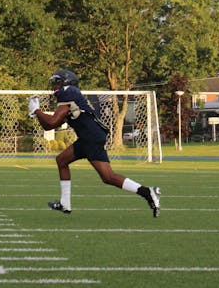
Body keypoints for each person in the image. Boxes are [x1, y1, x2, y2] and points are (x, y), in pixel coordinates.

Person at [28, 69, 160, 217]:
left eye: (57, 82)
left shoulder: (69, 91)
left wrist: (37, 111)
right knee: (62, 161)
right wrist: (37, 113)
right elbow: (50, 125)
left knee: (108, 177)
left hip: (90, 137)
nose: (54, 86)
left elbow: (51, 121)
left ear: (66, 83)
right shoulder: (70, 96)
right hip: (88, 137)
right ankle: (65, 203)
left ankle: (147, 192)